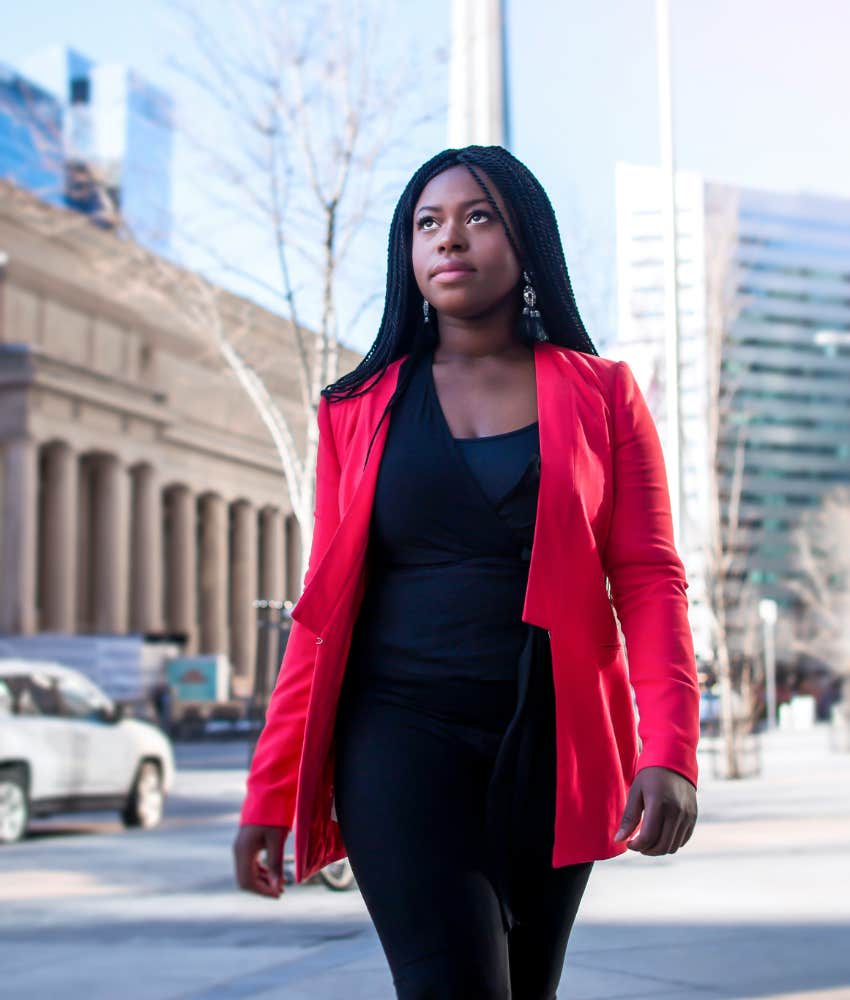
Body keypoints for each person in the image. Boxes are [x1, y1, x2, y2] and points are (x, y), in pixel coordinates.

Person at [233, 145, 700, 999]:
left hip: (552, 745)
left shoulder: (603, 394)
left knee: (526, 989)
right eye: (428, 223)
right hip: (399, 736)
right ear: (406, 253)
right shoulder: (355, 407)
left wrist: (668, 747)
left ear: (527, 242)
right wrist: (271, 788)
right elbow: (323, 609)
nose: (450, 239)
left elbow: (647, 578)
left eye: (478, 216)